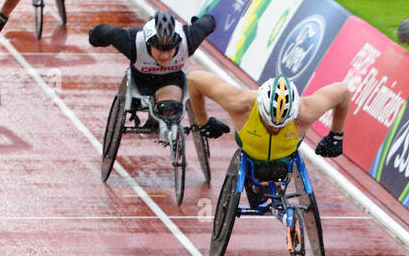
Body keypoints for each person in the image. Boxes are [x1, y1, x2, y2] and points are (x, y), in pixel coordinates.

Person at [188, 72, 348, 171]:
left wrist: (336, 136)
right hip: (250, 151)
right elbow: (194, 79)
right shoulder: (239, 102)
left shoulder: (306, 111)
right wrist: (203, 123)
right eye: (269, 121)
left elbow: (343, 91)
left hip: (284, 158)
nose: (274, 128)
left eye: (281, 124)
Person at [89, 10, 216, 133]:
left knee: (169, 108)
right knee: (159, 106)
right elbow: (105, 32)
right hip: (142, 82)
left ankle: (162, 123)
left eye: (170, 49)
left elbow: (209, 22)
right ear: (148, 43)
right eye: (160, 50)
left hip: (170, 81)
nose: (165, 56)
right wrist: (94, 39)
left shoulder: (189, 39)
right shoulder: (133, 41)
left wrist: (197, 21)